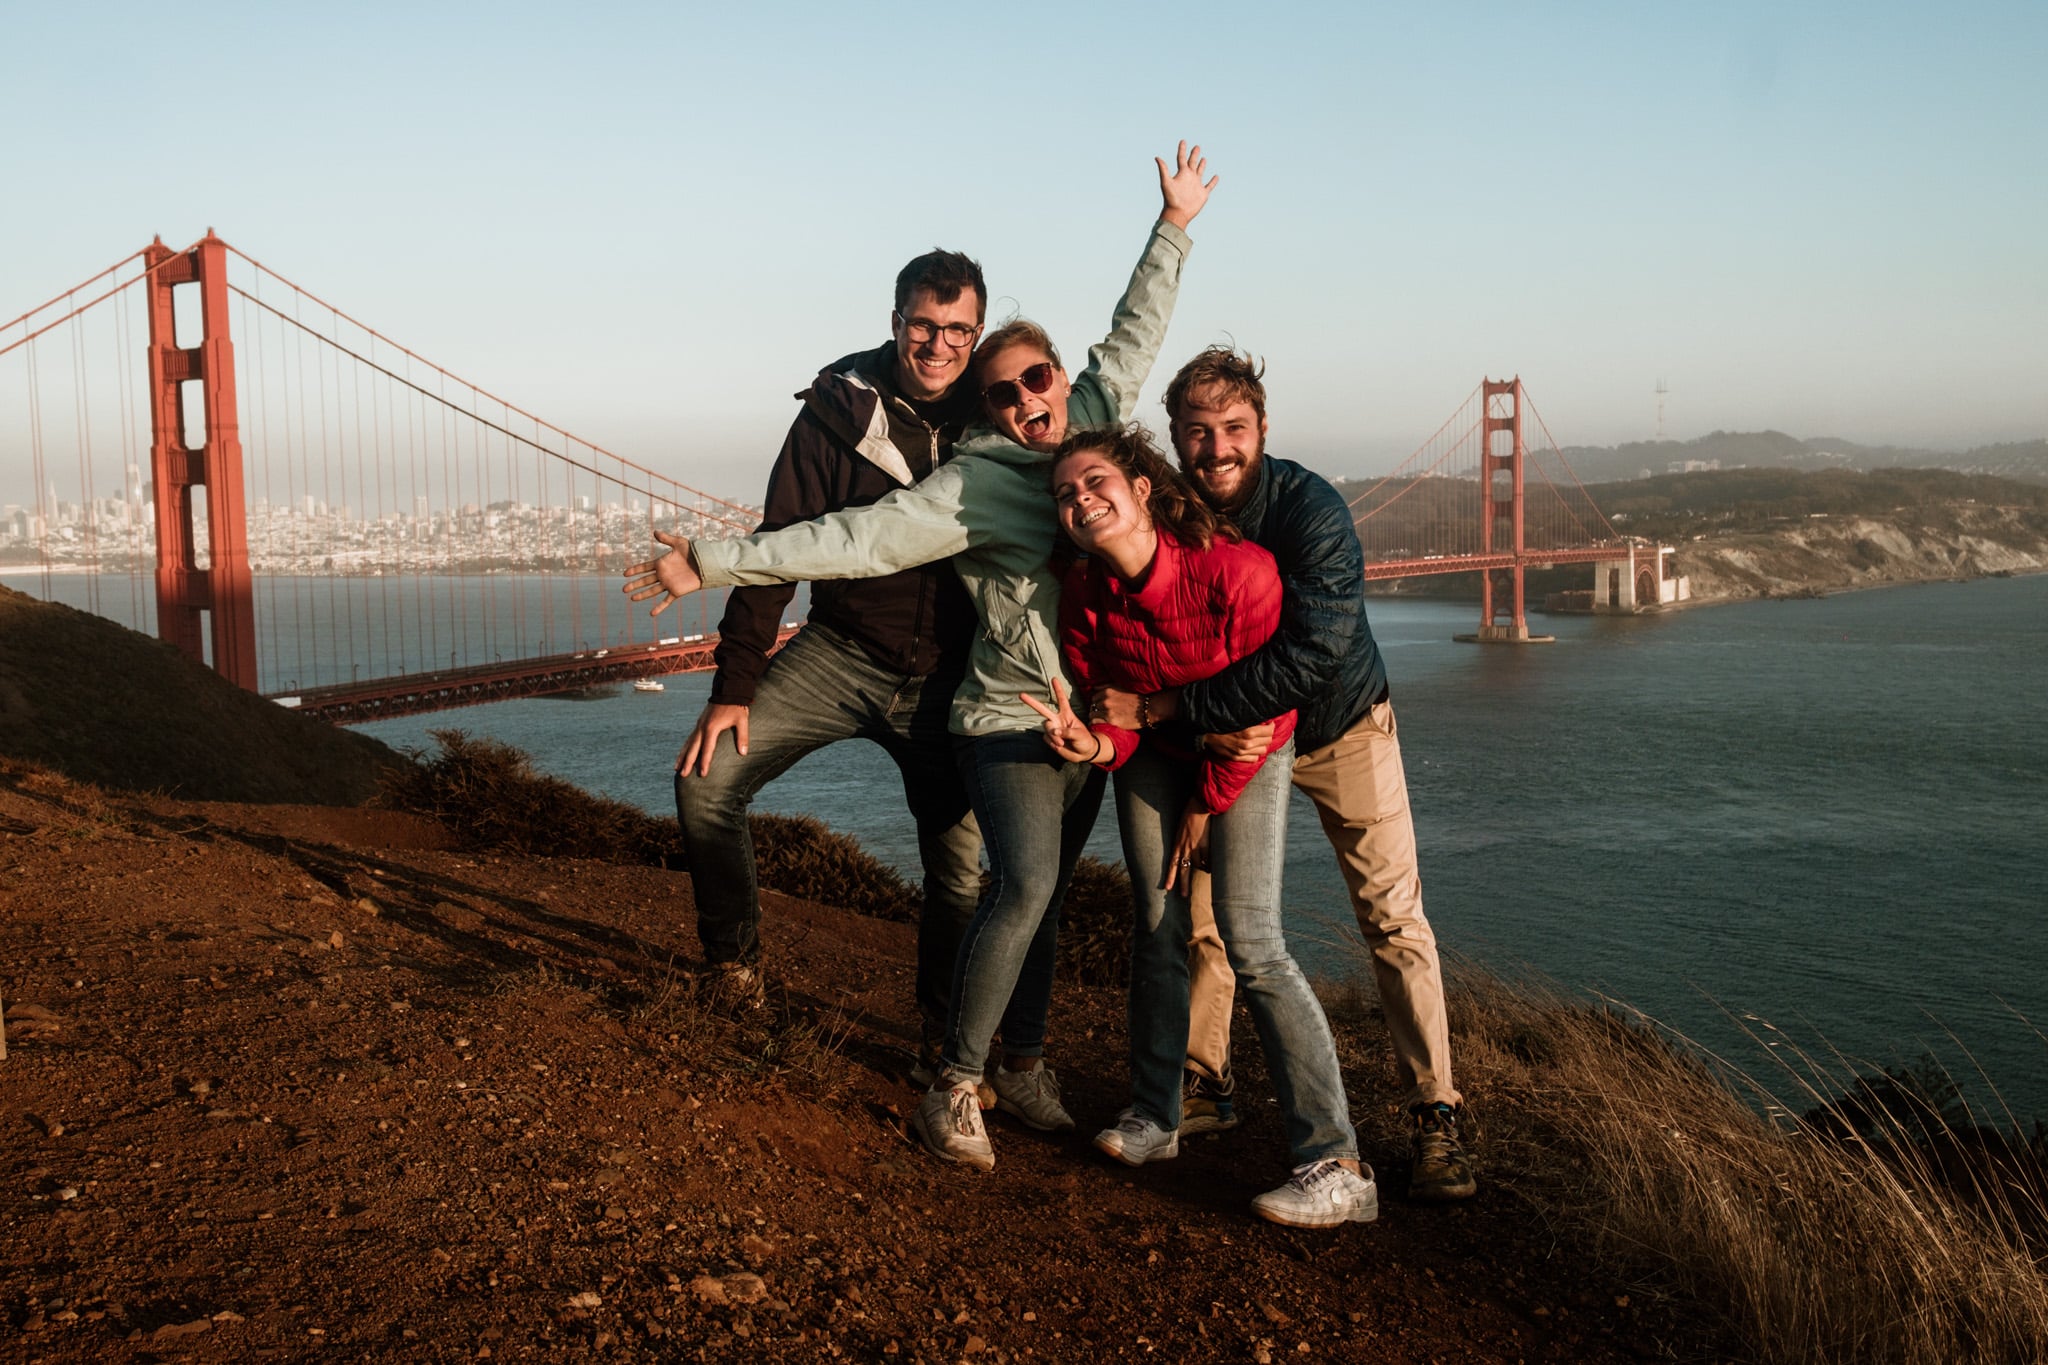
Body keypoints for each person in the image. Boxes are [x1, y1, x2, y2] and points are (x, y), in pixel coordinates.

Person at [623, 143, 1217, 1172]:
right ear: (900, 327)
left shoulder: (1080, 421)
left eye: (1018, 368)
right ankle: (808, 1005)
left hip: (1017, 695)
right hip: (896, 669)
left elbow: (1132, 337)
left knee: (990, 884)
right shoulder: (909, 448)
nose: (1013, 393)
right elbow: (832, 538)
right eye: (926, 332)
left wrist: (1172, 226)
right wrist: (714, 596)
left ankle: (992, 1058)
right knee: (735, 795)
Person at [1092, 347, 1478, 1201]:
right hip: (1226, 740)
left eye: (1233, 428)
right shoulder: (1173, 509)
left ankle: (1436, 1114)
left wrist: (1167, 714)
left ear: (1263, 428)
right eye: (1196, 431)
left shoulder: (1314, 512)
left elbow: (1311, 655)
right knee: (1199, 914)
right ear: (1176, 438)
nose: (1216, 447)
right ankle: (1204, 1084)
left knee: (1391, 915)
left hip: (1338, 727)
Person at [1024, 425, 1379, 1229]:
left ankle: (1339, 1162)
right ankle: (1157, 1116)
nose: (1080, 500)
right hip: (1160, 743)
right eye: (1065, 494)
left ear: (1143, 488)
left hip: (1247, 748)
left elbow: (1265, 715)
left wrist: (1205, 801)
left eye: (1096, 483)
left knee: (1253, 940)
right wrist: (1095, 742)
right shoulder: (1087, 593)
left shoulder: (1236, 571)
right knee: (1157, 925)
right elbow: (1115, 710)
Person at [661, 244, 988, 1073]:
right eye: (925, 324)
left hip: (953, 677)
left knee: (959, 871)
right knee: (705, 785)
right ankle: (733, 969)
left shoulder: (1001, 409)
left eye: (960, 329)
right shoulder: (840, 406)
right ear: (895, 321)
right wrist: (735, 685)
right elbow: (783, 542)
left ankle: (938, 1037)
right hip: (841, 650)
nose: (940, 344)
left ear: (978, 334)